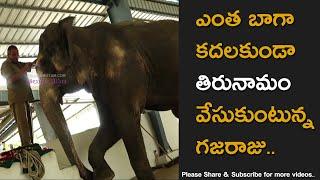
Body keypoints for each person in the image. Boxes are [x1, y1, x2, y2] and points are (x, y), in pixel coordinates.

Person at [1, 45, 36, 146]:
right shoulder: (6, 65)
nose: (16, 56)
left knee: (29, 125)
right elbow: (11, 79)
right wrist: (24, 70)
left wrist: (38, 60)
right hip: (17, 100)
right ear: (8, 55)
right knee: (23, 126)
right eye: (13, 54)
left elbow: (31, 65)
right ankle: (26, 147)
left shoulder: (19, 64)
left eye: (17, 54)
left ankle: (31, 145)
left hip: (25, 98)